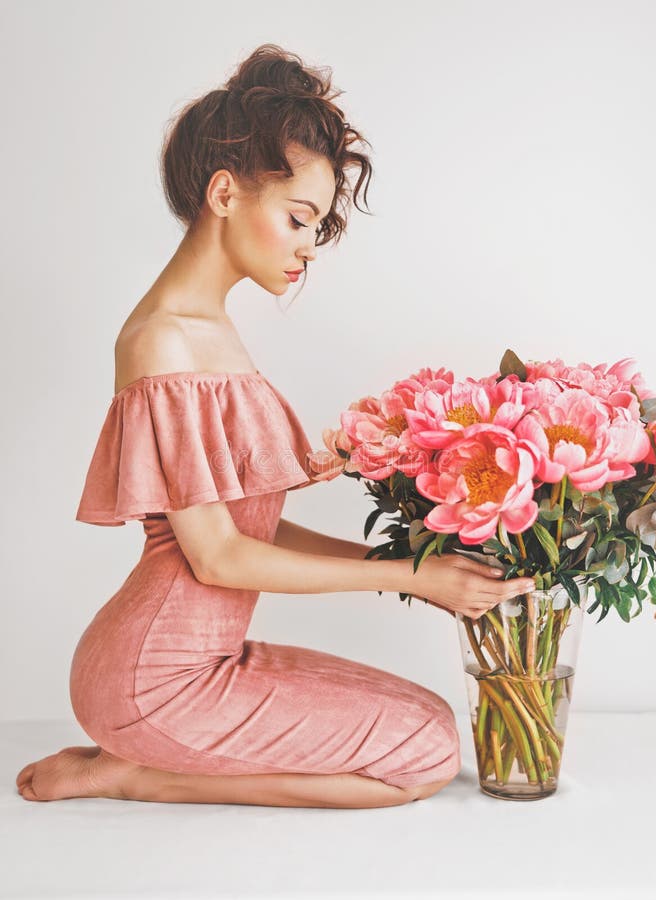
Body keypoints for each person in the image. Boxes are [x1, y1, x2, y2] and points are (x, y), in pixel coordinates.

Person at [15, 44, 536, 809]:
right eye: (297, 218)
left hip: (201, 658)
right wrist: (406, 575)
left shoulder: (209, 329)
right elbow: (220, 558)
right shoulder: (160, 338)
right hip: (155, 678)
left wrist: (414, 577)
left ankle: (133, 758)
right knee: (422, 759)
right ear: (224, 193)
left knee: (427, 723)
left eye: (316, 228)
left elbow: (247, 529)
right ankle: (132, 773)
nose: (306, 246)